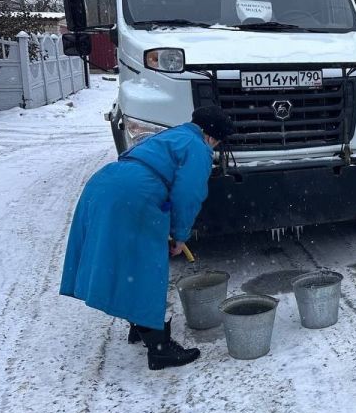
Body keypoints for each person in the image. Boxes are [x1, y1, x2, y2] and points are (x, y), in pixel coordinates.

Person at [60, 105, 235, 370]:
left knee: (127, 263)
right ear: (211, 136)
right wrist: (180, 235)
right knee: (146, 267)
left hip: (105, 184)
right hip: (132, 195)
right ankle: (159, 347)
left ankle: (140, 325)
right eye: (218, 141)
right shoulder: (199, 148)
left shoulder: (172, 135)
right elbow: (188, 195)